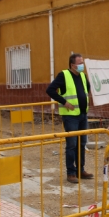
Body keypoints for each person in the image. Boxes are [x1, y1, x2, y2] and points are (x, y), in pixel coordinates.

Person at [46, 53, 94, 183]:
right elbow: (50, 90)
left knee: (82, 143)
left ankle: (80, 169)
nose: (82, 65)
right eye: (80, 63)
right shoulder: (64, 75)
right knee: (72, 144)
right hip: (70, 117)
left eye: (82, 62)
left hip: (83, 115)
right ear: (72, 65)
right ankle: (71, 173)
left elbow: (87, 89)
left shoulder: (83, 76)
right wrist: (64, 102)